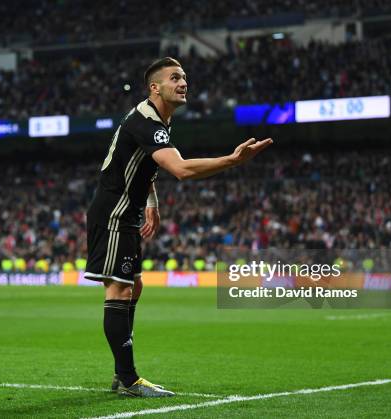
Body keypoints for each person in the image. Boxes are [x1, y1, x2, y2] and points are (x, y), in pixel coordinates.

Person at [84, 57, 273, 397]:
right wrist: (232, 160)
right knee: (119, 290)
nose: (183, 82)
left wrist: (152, 203)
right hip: (114, 214)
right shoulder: (147, 122)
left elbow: (144, 167)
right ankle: (128, 379)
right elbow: (181, 169)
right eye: (175, 77)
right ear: (154, 87)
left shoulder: (157, 122)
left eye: (185, 76)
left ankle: (121, 371)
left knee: (134, 287)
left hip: (127, 213)